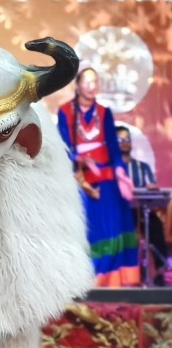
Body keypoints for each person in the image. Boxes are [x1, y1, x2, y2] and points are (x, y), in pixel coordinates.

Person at [57, 67, 140, 287]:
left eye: (95, 82)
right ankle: (90, 280)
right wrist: (82, 159)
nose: (92, 86)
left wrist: (121, 172)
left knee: (114, 228)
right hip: (82, 182)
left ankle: (112, 281)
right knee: (91, 232)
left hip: (108, 182)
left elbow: (113, 147)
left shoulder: (104, 112)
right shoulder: (65, 112)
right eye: (87, 82)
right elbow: (63, 147)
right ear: (77, 86)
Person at [116, 125, 168, 286]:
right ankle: (119, 275)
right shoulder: (111, 168)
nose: (125, 143)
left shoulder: (142, 167)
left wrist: (152, 188)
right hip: (119, 213)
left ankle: (160, 272)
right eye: (120, 140)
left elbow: (151, 188)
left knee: (156, 226)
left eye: (127, 139)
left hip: (140, 210)